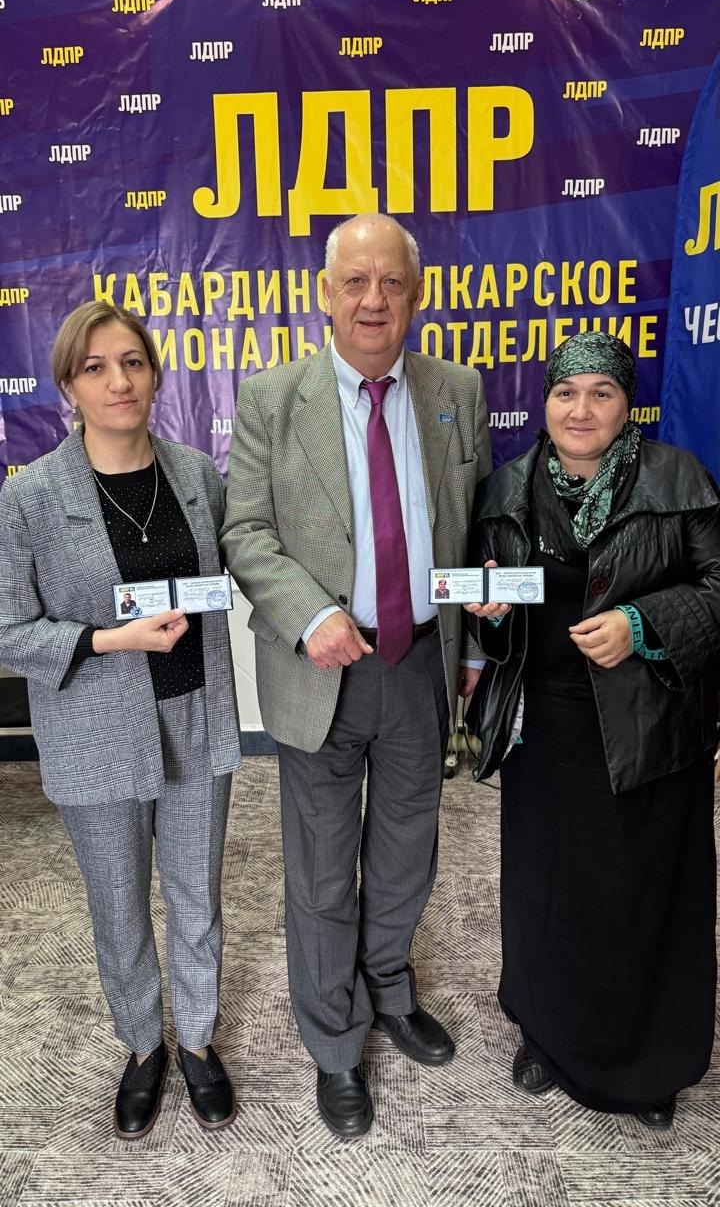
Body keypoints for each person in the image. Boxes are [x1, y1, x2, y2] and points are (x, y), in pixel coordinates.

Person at [222, 213, 493, 1137]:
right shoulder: (270, 399)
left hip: (419, 662)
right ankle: (335, 1043)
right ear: (325, 294)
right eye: (356, 282)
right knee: (322, 868)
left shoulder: (457, 390)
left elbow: (474, 526)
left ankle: (389, 989)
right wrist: (310, 614)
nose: (374, 300)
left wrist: (475, 637)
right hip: (319, 671)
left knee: (408, 853)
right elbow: (245, 532)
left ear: (416, 295)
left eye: (392, 283)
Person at [465, 330, 720, 1128]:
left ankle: (648, 1069)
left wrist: (642, 624)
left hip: (652, 727)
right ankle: (545, 1034)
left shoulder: (678, 477)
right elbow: (493, 620)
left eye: (600, 392)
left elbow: (718, 587)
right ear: (545, 401)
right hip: (545, 732)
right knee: (546, 888)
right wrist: (490, 615)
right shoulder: (505, 490)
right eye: (566, 392)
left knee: (643, 894)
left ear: (626, 403)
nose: (581, 409)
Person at [0, 302, 241, 1139]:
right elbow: (7, 629)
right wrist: (109, 638)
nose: (119, 381)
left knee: (196, 896)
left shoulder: (197, 474)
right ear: (69, 385)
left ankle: (198, 1041)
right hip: (95, 730)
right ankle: (143, 1047)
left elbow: (243, 565)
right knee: (119, 904)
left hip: (196, 713)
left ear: (155, 375)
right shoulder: (30, 496)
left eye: (133, 362)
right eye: (96, 367)